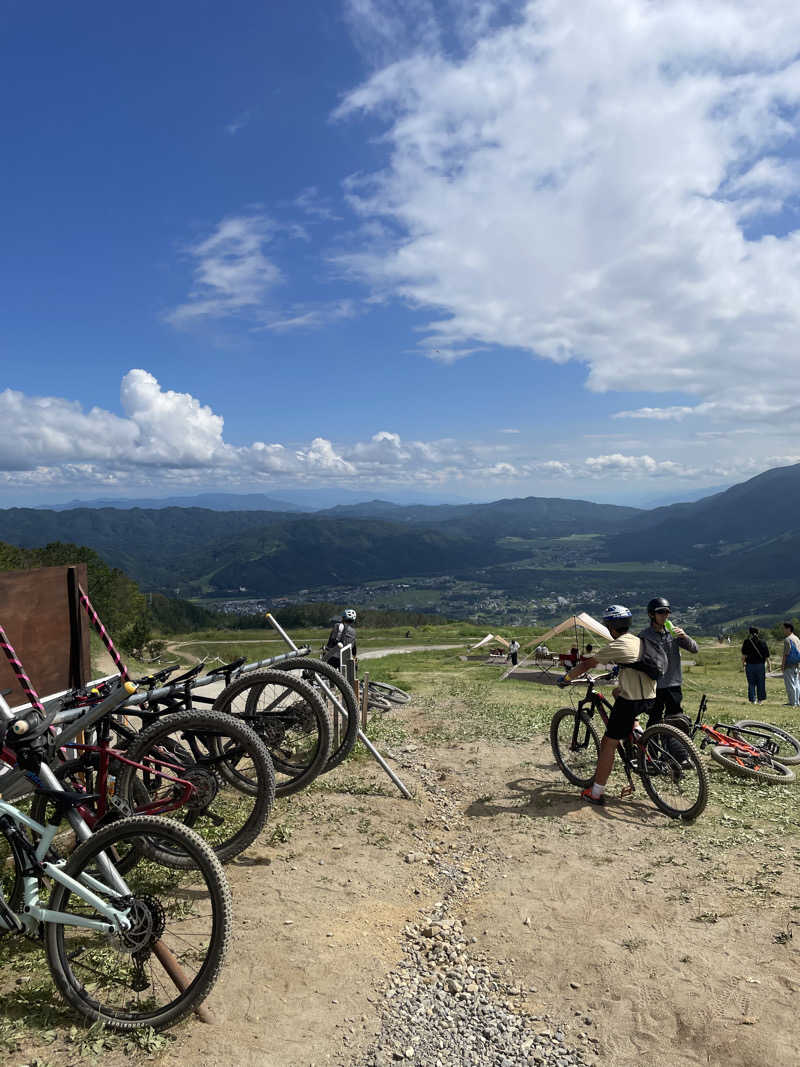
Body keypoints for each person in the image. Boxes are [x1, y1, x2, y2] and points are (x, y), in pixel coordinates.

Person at [559, 604, 656, 806]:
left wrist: (567, 678)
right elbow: (634, 663)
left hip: (632, 700)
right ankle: (636, 728)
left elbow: (587, 664)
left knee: (608, 744)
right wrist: (615, 672)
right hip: (650, 695)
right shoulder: (638, 640)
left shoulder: (617, 644)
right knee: (615, 692)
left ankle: (595, 792)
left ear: (611, 627)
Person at [638, 597, 697, 722]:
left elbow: (694, 649)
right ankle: (651, 741)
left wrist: (684, 636)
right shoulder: (644, 636)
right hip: (654, 684)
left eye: (667, 612)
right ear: (651, 614)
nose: (665, 615)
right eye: (661, 612)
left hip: (673, 683)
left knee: (675, 717)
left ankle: (672, 741)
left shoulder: (674, 633)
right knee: (654, 717)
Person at [740, 627, 770, 704]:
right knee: (761, 683)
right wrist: (769, 666)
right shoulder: (762, 642)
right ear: (758, 633)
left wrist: (743, 665)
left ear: (750, 633)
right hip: (760, 665)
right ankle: (760, 700)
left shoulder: (746, 642)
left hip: (750, 665)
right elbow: (767, 656)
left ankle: (753, 700)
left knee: (751, 683)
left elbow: (743, 656)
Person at [780, 621, 800, 707]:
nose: (783, 630)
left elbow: (786, 654)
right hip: (796, 664)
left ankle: (792, 703)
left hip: (789, 664)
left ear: (788, 629)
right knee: (796, 683)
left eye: (784, 628)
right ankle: (797, 702)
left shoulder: (787, 640)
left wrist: (782, 665)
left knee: (790, 684)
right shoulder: (797, 638)